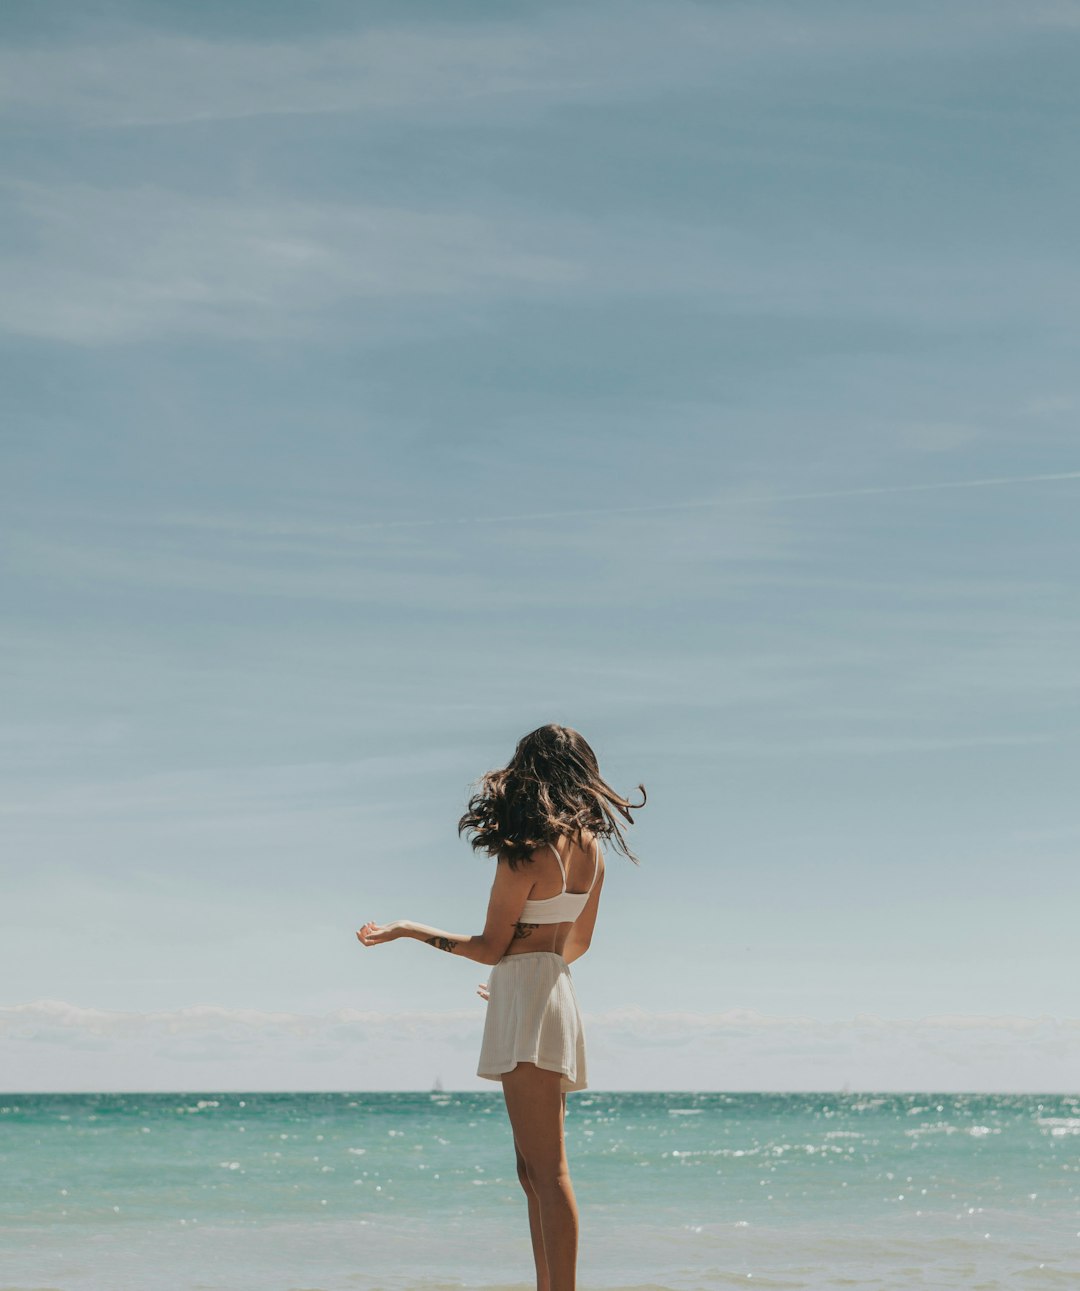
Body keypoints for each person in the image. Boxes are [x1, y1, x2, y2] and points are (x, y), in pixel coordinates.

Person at [356, 723, 644, 1291]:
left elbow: (488, 947)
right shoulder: (592, 851)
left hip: (531, 994)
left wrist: (410, 930)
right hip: (552, 992)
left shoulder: (525, 854)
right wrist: (524, 975)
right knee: (531, 1170)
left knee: (549, 1170)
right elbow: (576, 943)